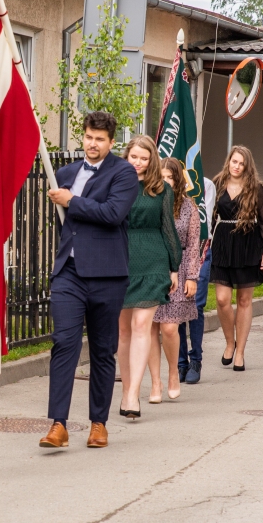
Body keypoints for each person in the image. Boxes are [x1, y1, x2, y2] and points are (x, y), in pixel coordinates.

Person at [40, 111, 138, 450]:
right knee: (64, 343)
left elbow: (113, 214)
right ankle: (58, 424)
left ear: (111, 142)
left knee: (101, 350)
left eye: (100, 139)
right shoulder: (64, 173)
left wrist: (73, 201)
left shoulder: (124, 173)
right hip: (69, 272)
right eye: (88, 137)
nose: (93, 144)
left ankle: (98, 424)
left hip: (107, 275)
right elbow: (64, 223)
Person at [117, 135, 181, 418]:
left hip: (154, 259)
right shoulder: (114, 185)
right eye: (134, 157)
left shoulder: (162, 190)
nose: (138, 163)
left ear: (151, 160)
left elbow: (169, 228)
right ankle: (126, 389)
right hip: (120, 259)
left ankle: (133, 395)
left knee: (143, 323)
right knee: (124, 330)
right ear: (126, 156)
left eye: (144, 158)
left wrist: (174, 266)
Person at [210, 146, 263, 372]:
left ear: (247, 166)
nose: (236, 166)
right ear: (228, 161)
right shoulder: (217, 184)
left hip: (248, 244)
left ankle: (240, 351)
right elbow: (209, 216)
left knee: (245, 301)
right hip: (223, 243)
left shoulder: (256, 189)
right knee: (222, 299)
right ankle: (229, 341)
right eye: (233, 161)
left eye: (240, 163)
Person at [149, 158, 201, 402]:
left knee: (169, 327)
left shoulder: (189, 206)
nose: (165, 181)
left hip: (178, 271)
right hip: (150, 268)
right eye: (161, 176)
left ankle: (172, 373)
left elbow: (192, 244)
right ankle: (155, 382)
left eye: (169, 177)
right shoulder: (149, 202)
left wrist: (192, 276)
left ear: (177, 180)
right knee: (148, 328)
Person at [177, 175, 216, 384]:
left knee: (196, 306)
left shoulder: (206, 185)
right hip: (175, 253)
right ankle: (181, 362)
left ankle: (195, 360)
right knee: (177, 308)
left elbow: (205, 220)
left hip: (199, 249)